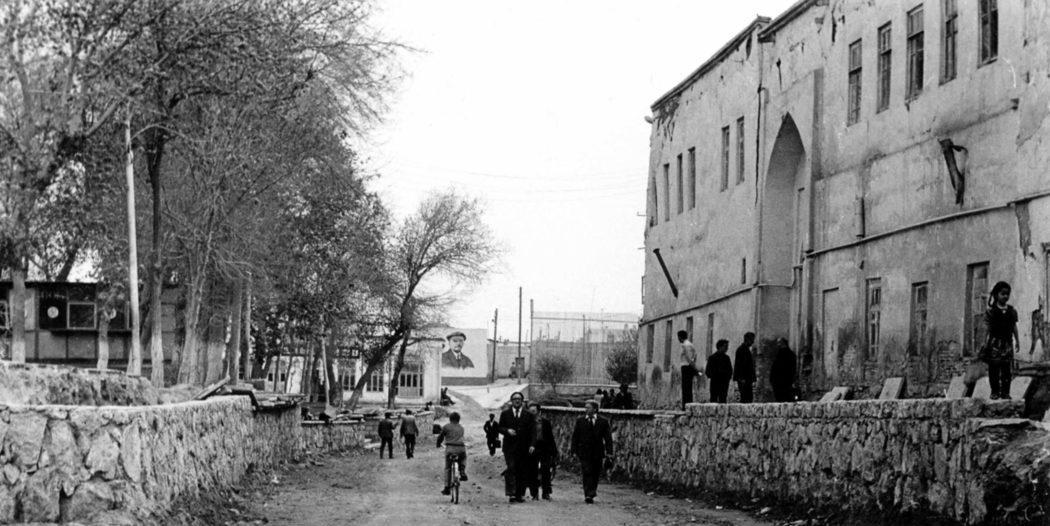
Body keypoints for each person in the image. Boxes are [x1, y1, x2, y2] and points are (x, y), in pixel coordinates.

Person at [570, 400, 613, 504]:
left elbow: (608, 438)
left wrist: (609, 452)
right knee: (586, 471)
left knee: (595, 472)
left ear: (595, 409)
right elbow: (575, 436)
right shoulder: (580, 420)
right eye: (585, 408)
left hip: (597, 451)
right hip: (584, 451)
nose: (586, 410)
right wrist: (573, 450)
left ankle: (592, 490)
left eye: (588, 408)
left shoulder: (603, 421)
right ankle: (588, 494)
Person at [982, 281, 1020, 399]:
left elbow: (1014, 326)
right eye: (1003, 294)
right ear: (996, 294)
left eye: (1007, 294)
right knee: (994, 369)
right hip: (994, 344)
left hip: (1007, 344)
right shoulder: (991, 311)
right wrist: (984, 342)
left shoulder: (1012, 311)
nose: (1005, 296)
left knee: (1006, 370)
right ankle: (994, 392)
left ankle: (1005, 393)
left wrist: (1017, 341)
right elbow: (987, 328)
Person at [498, 391, 536, 503]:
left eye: (519, 399)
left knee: (522, 470)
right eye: (515, 399)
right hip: (509, 447)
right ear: (511, 401)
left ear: (522, 401)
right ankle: (511, 494)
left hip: (523, 447)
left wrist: (532, 445)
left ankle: (520, 494)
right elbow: (499, 427)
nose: (517, 400)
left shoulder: (528, 415)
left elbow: (533, 431)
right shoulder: (505, 414)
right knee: (511, 468)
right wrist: (507, 431)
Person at [528, 402, 559, 501]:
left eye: (534, 411)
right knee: (532, 471)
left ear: (539, 411)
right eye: (530, 411)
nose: (532, 413)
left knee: (546, 470)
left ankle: (546, 493)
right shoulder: (527, 423)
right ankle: (534, 494)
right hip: (532, 448)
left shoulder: (545, 422)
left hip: (544, 448)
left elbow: (550, 437)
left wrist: (554, 451)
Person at [436, 411, 468, 495]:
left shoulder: (446, 427)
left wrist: (438, 444)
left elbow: (441, 437)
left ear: (450, 419)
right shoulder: (461, 428)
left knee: (448, 468)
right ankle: (462, 470)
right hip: (461, 448)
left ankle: (447, 488)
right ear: (458, 419)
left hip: (450, 449)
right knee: (463, 457)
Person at [705, 339, 733, 403]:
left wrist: (727, 378)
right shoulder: (712, 358)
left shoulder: (726, 358)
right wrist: (715, 376)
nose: (727, 348)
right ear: (720, 347)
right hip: (715, 383)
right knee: (714, 399)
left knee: (722, 399)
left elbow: (730, 371)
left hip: (723, 383)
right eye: (725, 346)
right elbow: (708, 371)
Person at [770, 338, 797, 402]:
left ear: (782, 343)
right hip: (782, 380)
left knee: (782, 397)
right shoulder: (786, 354)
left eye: (779, 343)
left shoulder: (784, 354)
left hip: (783, 380)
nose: (777, 344)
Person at [733, 332, 757, 403]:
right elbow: (740, 365)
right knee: (746, 398)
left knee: (747, 397)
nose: (753, 342)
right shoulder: (742, 350)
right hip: (744, 379)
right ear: (748, 339)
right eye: (752, 340)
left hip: (746, 379)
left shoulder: (745, 349)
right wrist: (741, 378)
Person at [678, 330, 699, 408]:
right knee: (687, 387)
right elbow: (695, 355)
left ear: (680, 337)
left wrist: (693, 366)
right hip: (688, 366)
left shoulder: (685, 345)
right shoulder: (690, 345)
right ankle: (687, 404)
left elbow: (689, 358)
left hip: (686, 367)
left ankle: (686, 405)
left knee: (686, 388)